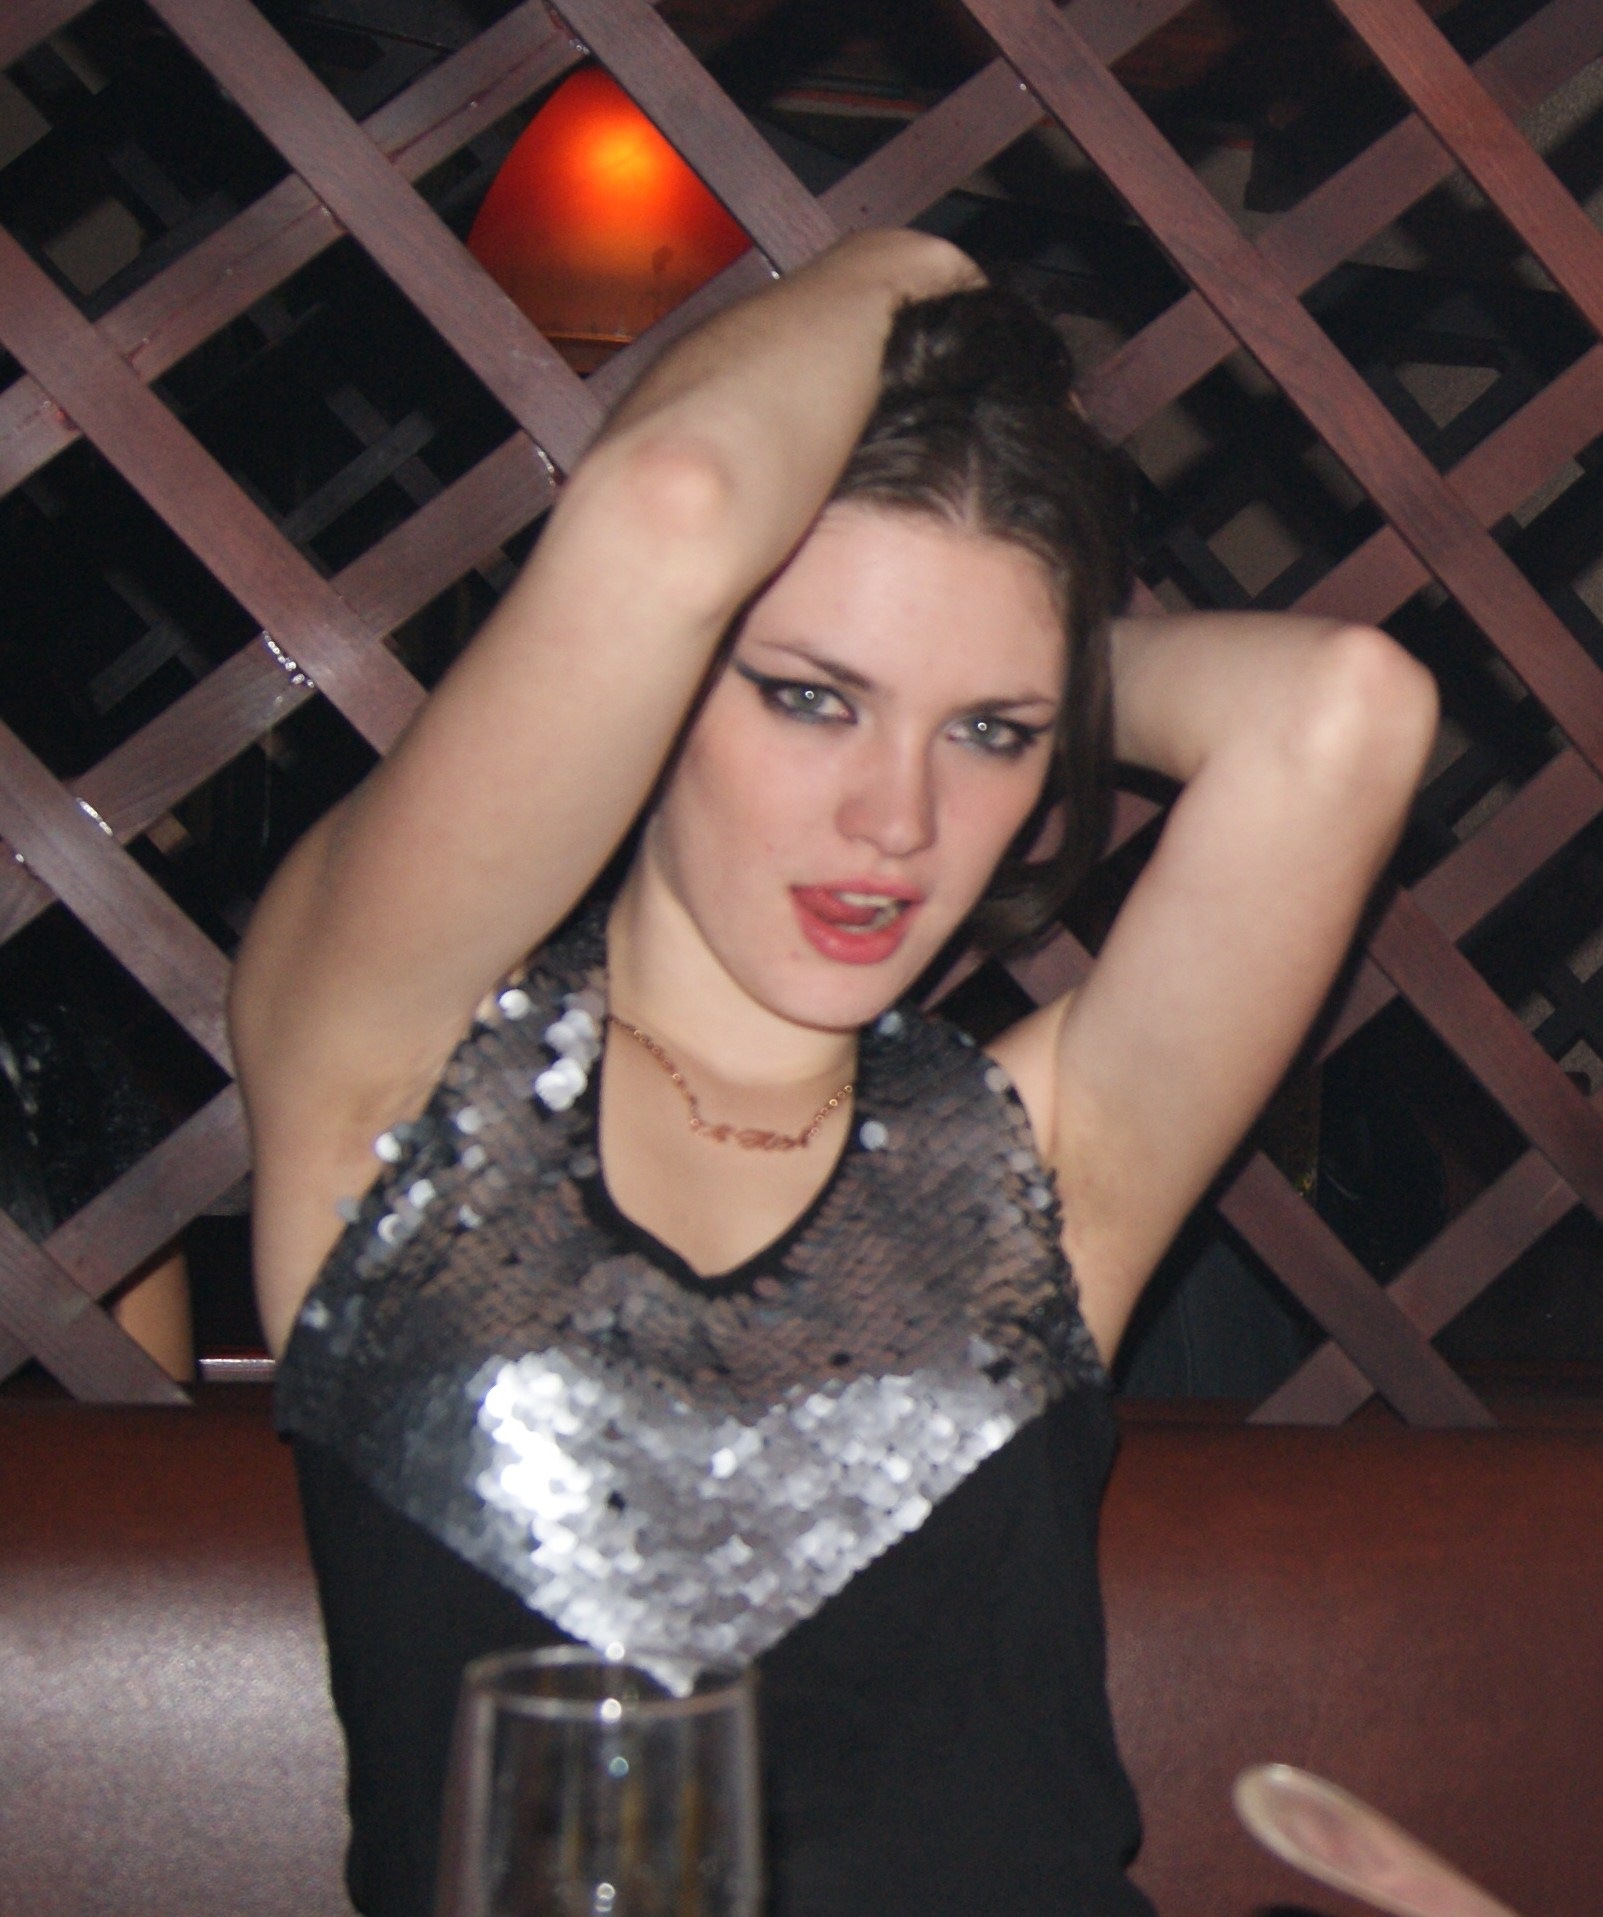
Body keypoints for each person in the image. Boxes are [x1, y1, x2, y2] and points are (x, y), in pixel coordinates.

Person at [230, 228, 1438, 1917]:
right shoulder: (392, 1073)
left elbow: (1345, 711)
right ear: (656, 681)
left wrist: (1011, 663)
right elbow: (673, 508)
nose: (898, 819)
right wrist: (913, 267)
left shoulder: (1035, 1167)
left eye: (987, 736)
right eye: (809, 699)